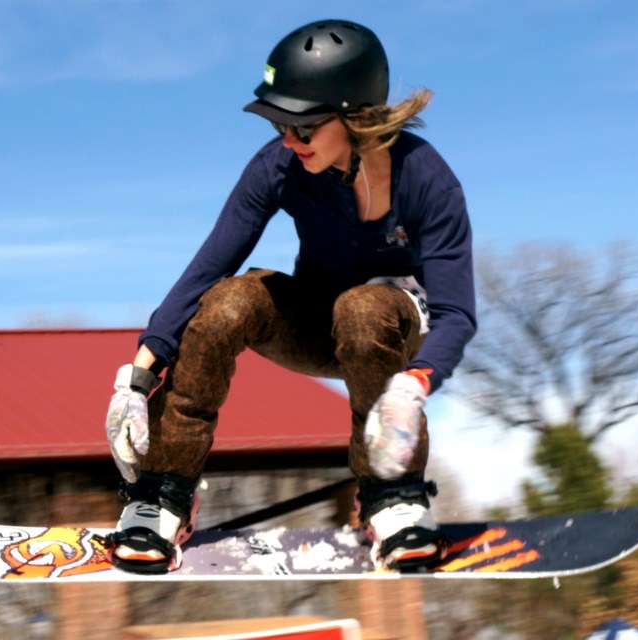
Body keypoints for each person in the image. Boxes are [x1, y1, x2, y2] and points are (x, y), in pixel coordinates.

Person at [103, 19, 476, 574]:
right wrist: (137, 372)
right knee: (230, 300)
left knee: (364, 307)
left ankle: (391, 500)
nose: (287, 140)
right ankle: (162, 494)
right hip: (314, 324)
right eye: (280, 124)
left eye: (302, 127)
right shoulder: (278, 168)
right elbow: (208, 267)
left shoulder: (425, 178)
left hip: (391, 337)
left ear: (357, 117)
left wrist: (414, 385)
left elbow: (457, 314)